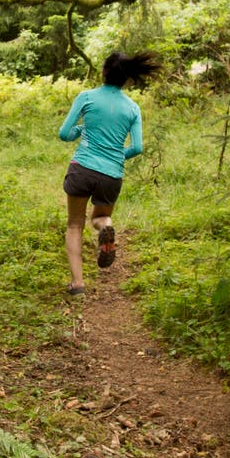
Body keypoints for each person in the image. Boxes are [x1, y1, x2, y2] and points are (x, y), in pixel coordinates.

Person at [57, 51, 160, 293]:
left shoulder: (87, 97)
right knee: (99, 217)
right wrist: (114, 155)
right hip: (112, 175)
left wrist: (81, 131)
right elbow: (136, 148)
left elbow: (64, 133)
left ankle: (78, 283)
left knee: (74, 224)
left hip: (82, 169)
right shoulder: (133, 108)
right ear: (126, 79)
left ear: (104, 72)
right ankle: (105, 229)